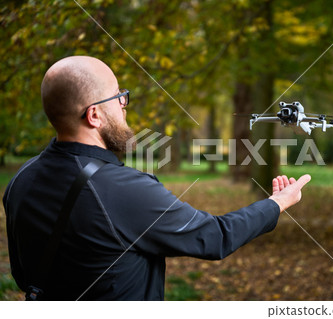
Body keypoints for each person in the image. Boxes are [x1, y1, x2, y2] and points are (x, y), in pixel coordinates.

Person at [2, 56, 311, 301]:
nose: (124, 103)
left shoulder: (20, 181)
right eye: (118, 97)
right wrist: (278, 203)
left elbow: (23, 275)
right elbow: (214, 237)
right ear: (94, 115)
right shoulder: (124, 189)